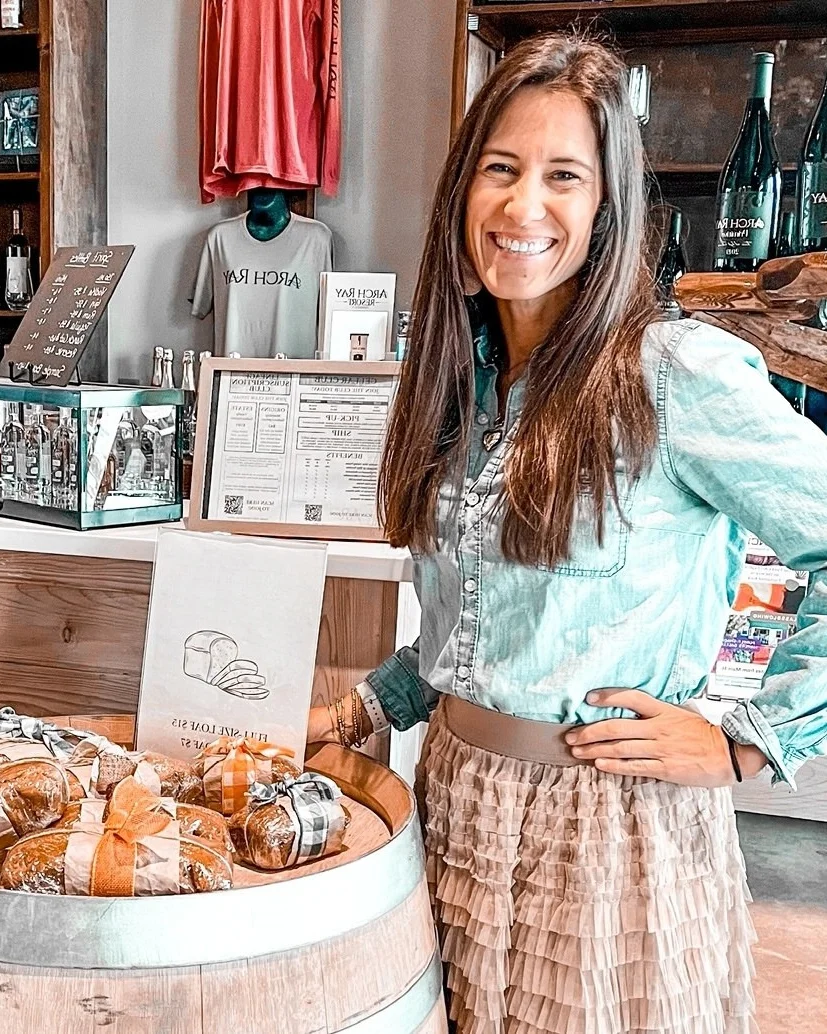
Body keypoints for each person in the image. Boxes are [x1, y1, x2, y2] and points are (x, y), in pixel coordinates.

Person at [308, 32, 827, 1034]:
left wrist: (747, 743)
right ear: (462, 192)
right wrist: (364, 707)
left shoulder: (674, 373)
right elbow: (485, 629)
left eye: (562, 176)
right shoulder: (464, 385)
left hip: (609, 833)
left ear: (608, 205)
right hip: (454, 808)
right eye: (500, 169)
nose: (523, 205)